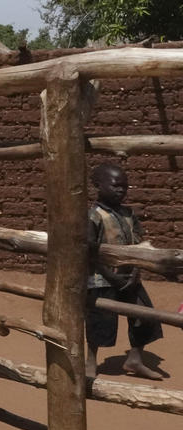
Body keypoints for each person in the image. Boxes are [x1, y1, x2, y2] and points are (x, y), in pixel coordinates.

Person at [86, 162, 164, 380]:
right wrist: (111, 276)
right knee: (100, 321)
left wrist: (136, 271)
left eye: (125, 187)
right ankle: (90, 362)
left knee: (144, 316)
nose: (121, 190)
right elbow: (89, 252)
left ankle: (135, 360)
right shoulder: (93, 216)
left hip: (130, 278)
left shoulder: (129, 213)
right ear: (98, 185)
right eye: (115, 185)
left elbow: (138, 244)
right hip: (102, 279)